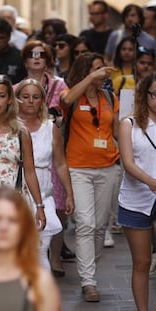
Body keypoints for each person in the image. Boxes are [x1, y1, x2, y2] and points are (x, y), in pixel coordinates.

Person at [60, 52, 121, 302]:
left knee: (99, 226)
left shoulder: (110, 97)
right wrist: (90, 79)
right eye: (97, 69)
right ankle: (88, 281)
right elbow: (66, 101)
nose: (102, 73)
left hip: (108, 167)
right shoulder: (72, 95)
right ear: (86, 71)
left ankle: (90, 269)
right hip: (79, 168)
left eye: (102, 69)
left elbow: (116, 131)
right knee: (85, 224)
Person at [15, 79, 74, 271]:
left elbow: (60, 163)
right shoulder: (9, 127)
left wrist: (69, 194)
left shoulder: (50, 128)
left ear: (42, 100)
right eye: (25, 97)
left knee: (41, 249)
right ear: (17, 100)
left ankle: (41, 295)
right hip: (15, 190)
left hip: (43, 191)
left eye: (35, 97)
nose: (30, 101)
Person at [0, 74, 46, 229]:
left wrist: (39, 206)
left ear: (10, 99)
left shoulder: (21, 132)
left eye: (1, 96)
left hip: (15, 195)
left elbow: (29, 171)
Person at [118, 73, 156, 311]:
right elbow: (128, 164)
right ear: (145, 95)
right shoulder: (129, 124)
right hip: (135, 200)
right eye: (154, 94)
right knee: (142, 262)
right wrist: (152, 181)